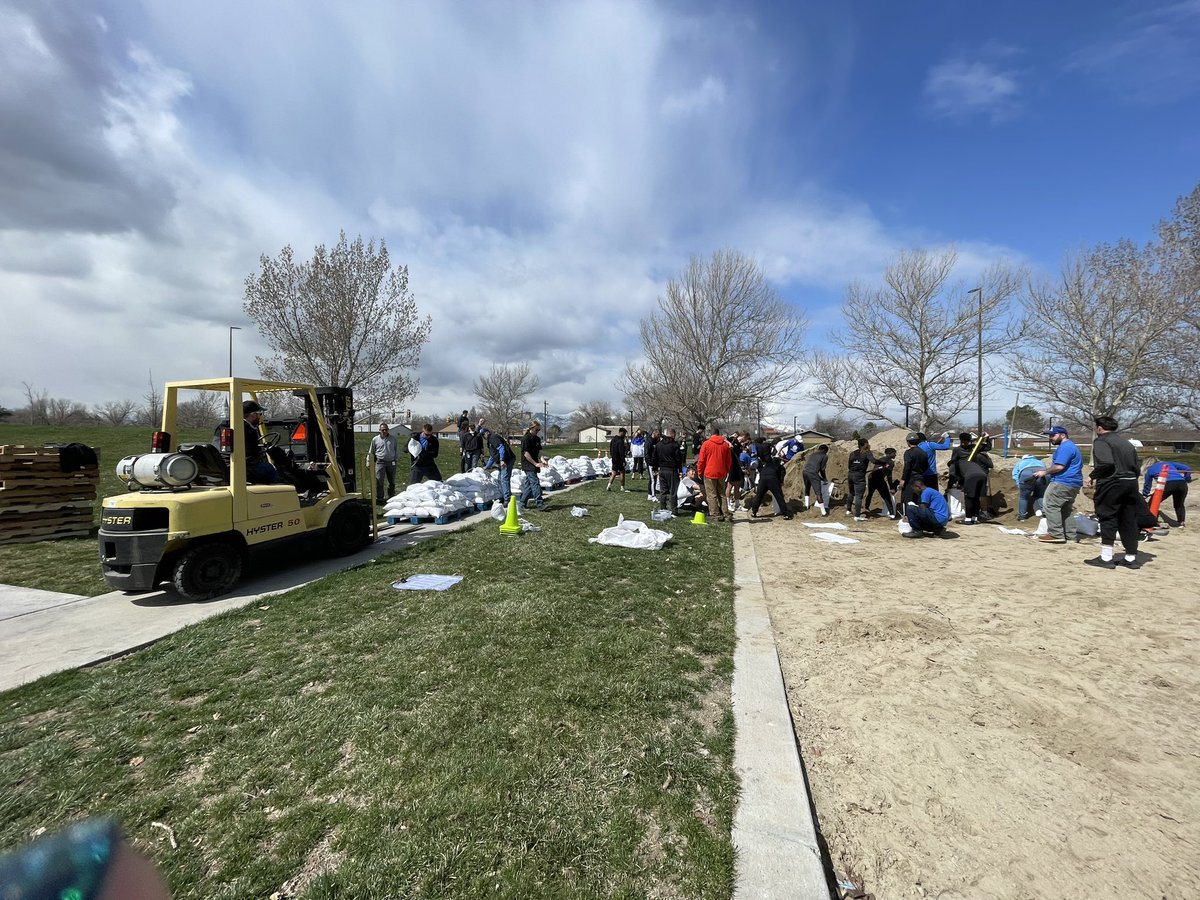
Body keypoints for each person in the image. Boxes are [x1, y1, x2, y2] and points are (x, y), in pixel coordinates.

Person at [1085, 416, 1143, 569]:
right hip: (1131, 483)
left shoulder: (1101, 441)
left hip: (1112, 482)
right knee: (1128, 519)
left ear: (1099, 428)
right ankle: (1130, 558)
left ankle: (1105, 558)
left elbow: (1107, 463)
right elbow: (1137, 467)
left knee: (1107, 517)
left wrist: (1092, 476)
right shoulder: (1127, 443)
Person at [1035, 425, 1084, 544]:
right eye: (1050, 436)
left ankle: (1056, 534)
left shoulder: (1065, 447)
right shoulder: (1072, 447)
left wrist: (1044, 472)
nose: (1050, 438)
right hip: (1074, 482)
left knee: (1051, 506)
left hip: (1062, 482)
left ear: (1063, 435)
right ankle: (1071, 536)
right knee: (1066, 510)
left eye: (1053, 435)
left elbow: (1059, 466)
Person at [696, 425, 733, 522]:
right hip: (722, 472)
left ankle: (715, 515)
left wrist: (700, 472)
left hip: (709, 472)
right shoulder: (725, 445)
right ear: (719, 434)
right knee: (722, 494)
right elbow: (729, 460)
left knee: (711, 494)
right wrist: (726, 471)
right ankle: (726, 514)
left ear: (710, 434)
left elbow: (701, 460)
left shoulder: (706, 444)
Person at [1143, 459, 1192, 528]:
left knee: (1152, 503)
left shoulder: (1150, 469)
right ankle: (1181, 522)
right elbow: (1187, 468)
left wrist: (1145, 494)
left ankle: (1152, 522)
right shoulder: (1168, 463)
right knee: (1179, 504)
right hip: (1182, 483)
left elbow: (1147, 484)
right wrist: (1186, 478)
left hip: (1167, 484)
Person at [241, 400, 281, 484]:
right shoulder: (247, 429)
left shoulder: (235, 426)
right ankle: (279, 493)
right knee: (271, 470)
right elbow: (251, 453)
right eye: (260, 414)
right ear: (253, 415)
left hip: (237, 463)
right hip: (248, 465)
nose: (260, 417)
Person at [956, 444, 994, 525]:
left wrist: (961, 486)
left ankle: (968, 519)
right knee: (976, 498)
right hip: (983, 476)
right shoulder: (971, 463)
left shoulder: (958, 464)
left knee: (969, 498)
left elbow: (960, 477)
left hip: (972, 477)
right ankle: (975, 518)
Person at [748, 451, 792, 520]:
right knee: (779, 496)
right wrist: (780, 482)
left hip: (762, 480)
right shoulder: (779, 466)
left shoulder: (766, 465)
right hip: (772, 480)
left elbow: (761, 473)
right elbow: (782, 473)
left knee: (759, 496)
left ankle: (754, 512)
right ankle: (785, 514)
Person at [518, 421, 549, 511]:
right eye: (536, 429)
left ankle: (522, 504)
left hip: (535, 463)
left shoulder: (537, 439)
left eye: (539, 429)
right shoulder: (525, 439)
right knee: (535, 483)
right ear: (531, 428)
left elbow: (539, 452)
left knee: (529, 485)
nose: (538, 431)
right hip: (528, 464)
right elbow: (526, 454)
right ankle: (540, 504)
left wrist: (543, 461)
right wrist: (535, 463)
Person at [1012, 452, 1048, 521]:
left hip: (1026, 474)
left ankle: (1022, 516)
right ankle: (1044, 514)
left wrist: (1019, 484)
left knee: (1024, 497)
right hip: (1041, 473)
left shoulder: (1020, 462)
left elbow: (1015, 474)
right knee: (1040, 496)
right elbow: (1046, 472)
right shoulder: (1039, 462)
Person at [653, 428, 682, 512]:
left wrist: (655, 468)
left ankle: (663, 508)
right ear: (672, 434)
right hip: (672, 470)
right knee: (673, 491)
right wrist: (680, 470)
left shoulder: (658, 445)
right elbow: (678, 459)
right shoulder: (675, 445)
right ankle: (674, 510)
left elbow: (655, 457)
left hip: (662, 470)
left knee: (663, 491)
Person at [897, 433, 930, 507]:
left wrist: (903, 479)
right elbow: (926, 466)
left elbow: (907, 467)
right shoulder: (923, 452)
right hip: (920, 478)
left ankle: (907, 516)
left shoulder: (908, 453)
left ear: (908, 442)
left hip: (910, 479)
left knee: (907, 498)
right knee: (918, 498)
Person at [369, 422, 398, 506]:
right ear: (379, 430)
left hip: (391, 462)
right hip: (380, 462)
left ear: (388, 430)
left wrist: (395, 459)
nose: (384, 431)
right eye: (383, 430)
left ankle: (391, 497)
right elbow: (371, 451)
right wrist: (368, 462)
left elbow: (396, 450)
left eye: (386, 429)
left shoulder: (393, 439)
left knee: (391, 481)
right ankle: (380, 498)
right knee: (379, 481)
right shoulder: (375, 439)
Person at [484, 426, 514, 504]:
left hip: (507, 460)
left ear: (487, 433)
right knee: (500, 479)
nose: (483, 437)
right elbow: (492, 456)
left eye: (483, 434)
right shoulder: (489, 442)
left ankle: (507, 499)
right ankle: (505, 496)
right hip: (503, 460)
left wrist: (502, 460)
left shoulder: (493, 438)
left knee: (504, 478)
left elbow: (501, 448)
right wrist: (487, 466)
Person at [865, 447, 897, 518]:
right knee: (886, 497)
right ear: (889, 454)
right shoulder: (890, 462)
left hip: (871, 478)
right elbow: (889, 476)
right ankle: (892, 514)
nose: (895, 455)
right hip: (878, 480)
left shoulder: (881, 459)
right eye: (894, 453)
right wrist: (891, 487)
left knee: (870, 494)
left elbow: (875, 469)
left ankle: (866, 507)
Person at [844, 438, 872, 520]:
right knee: (859, 496)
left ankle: (848, 510)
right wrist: (883, 463)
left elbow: (849, 465)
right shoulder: (867, 453)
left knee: (851, 493)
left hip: (851, 474)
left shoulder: (852, 453)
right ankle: (857, 515)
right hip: (859, 476)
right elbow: (873, 461)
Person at [801, 444, 829, 514]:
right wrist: (824, 478)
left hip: (805, 472)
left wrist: (820, 478)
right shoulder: (824, 456)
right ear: (825, 450)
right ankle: (823, 512)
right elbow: (822, 469)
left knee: (807, 488)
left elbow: (811, 467)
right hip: (812, 473)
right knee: (818, 493)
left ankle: (806, 506)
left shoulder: (812, 455)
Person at [726, 434, 746, 511]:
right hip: (731, 466)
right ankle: (727, 504)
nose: (743, 441)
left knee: (737, 485)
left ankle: (737, 504)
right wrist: (730, 440)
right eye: (743, 439)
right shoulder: (731, 440)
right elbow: (724, 439)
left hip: (737, 466)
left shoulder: (739, 445)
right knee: (730, 485)